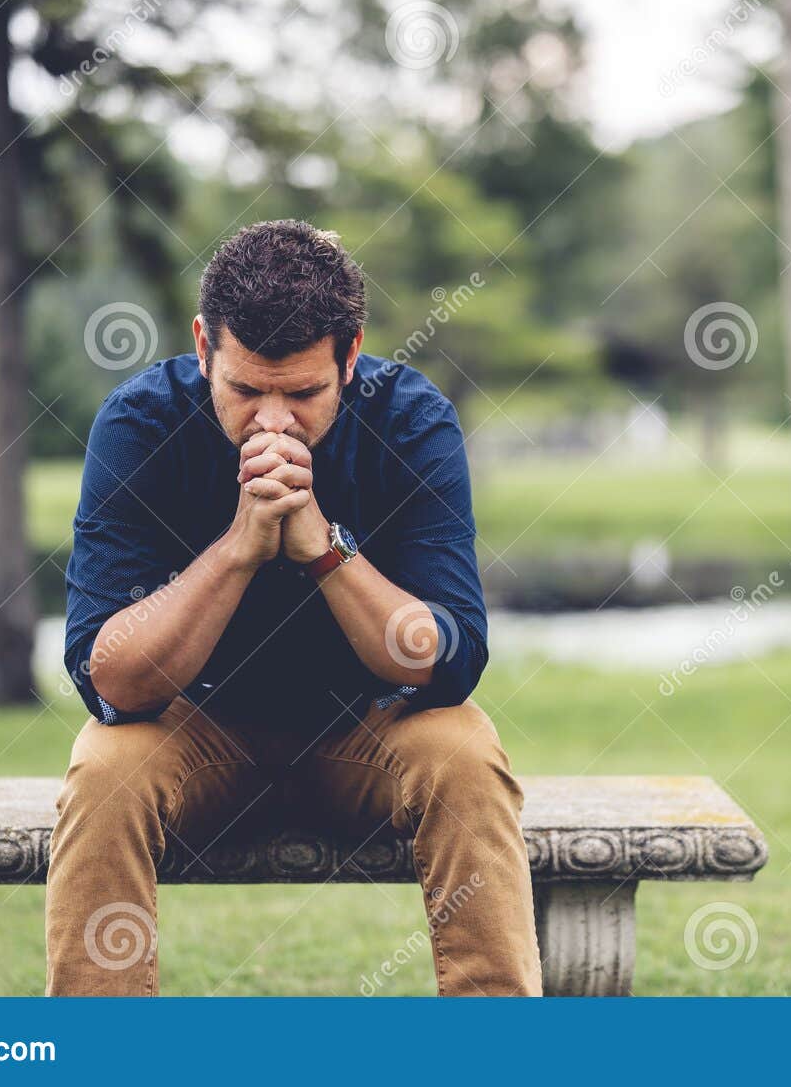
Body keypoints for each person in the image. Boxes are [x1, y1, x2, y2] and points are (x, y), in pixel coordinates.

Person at [44, 219, 541, 996]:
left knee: (466, 753)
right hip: (197, 727)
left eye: (304, 393)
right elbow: (110, 680)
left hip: (368, 728)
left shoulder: (411, 419)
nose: (273, 422)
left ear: (350, 354)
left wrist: (324, 549)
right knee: (104, 767)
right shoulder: (140, 423)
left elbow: (448, 659)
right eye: (245, 390)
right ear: (204, 346)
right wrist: (241, 547)